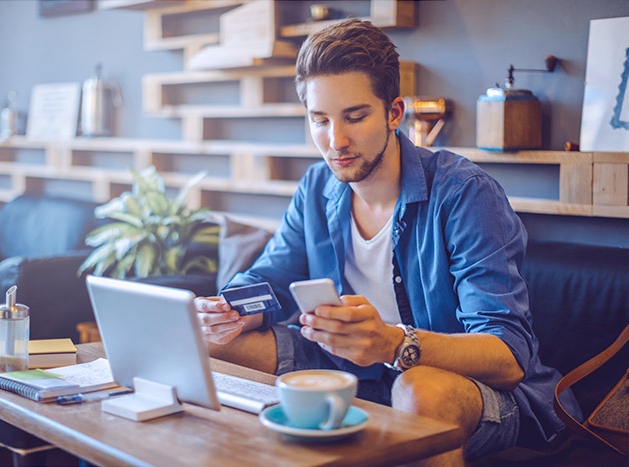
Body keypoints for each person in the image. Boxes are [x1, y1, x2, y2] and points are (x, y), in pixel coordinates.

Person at [194, 18, 581, 464]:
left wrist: (395, 344)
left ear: (394, 113)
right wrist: (231, 310)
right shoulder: (317, 188)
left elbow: (508, 356)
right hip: (350, 370)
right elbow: (273, 279)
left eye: (355, 117)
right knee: (215, 342)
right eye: (320, 120)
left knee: (420, 388)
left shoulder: (465, 195)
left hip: (473, 390)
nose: (335, 140)